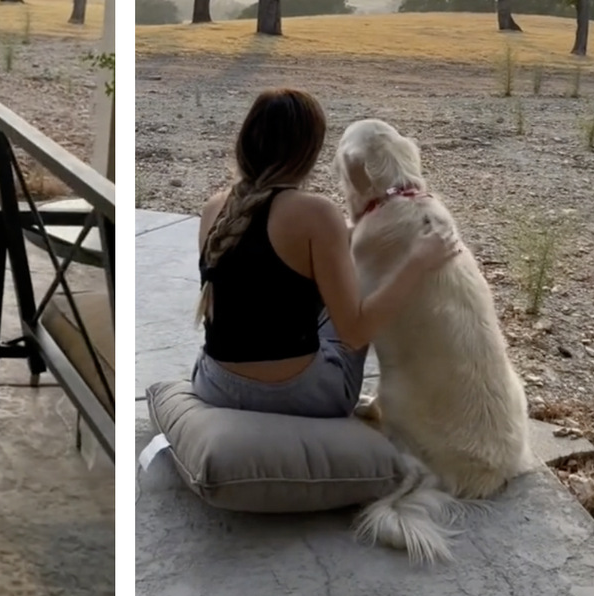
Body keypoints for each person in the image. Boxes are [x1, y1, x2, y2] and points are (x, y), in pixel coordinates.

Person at [191, 88, 460, 418]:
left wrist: (343, 237)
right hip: (302, 395)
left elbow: (257, 276)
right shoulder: (317, 214)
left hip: (214, 384)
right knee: (359, 277)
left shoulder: (214, 209)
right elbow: (356, 333)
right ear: (310, 151)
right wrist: (418, 261)